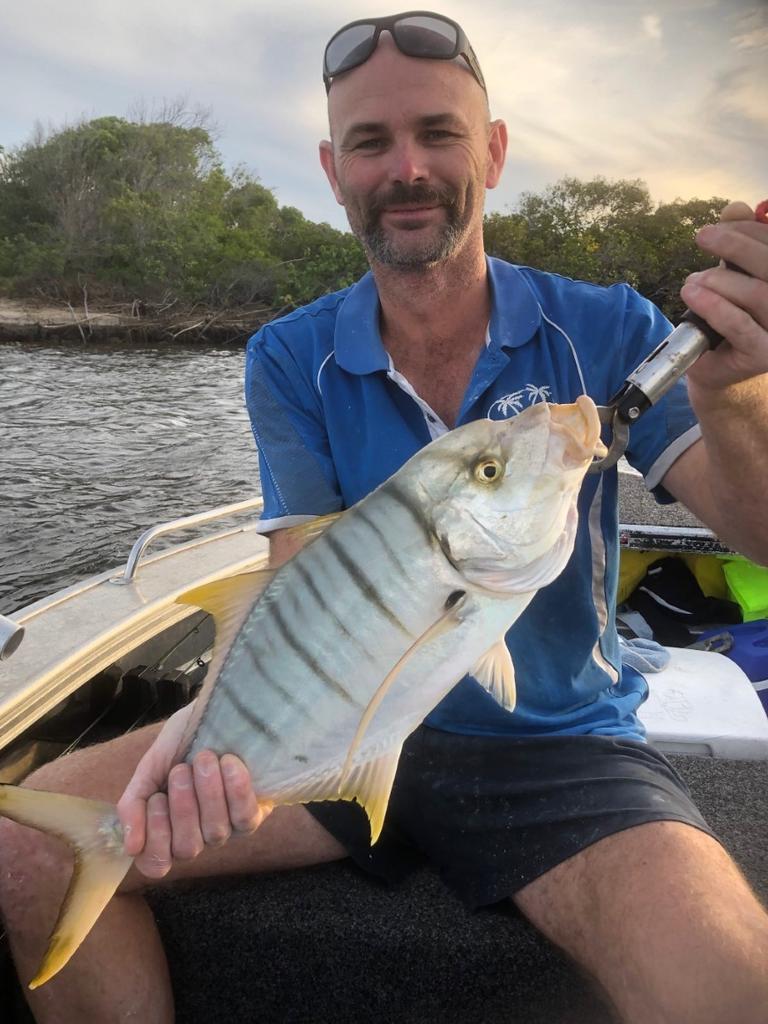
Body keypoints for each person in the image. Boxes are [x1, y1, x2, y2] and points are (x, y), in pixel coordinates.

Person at [1, 11, 767, 1023]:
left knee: (730, 981)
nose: (406, 167)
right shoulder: (288, 354)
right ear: (333, 169)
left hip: (561, 752)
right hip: (334, 734)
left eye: (438, 133)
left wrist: (732, 396)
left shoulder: (612, 329)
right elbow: (294, 582)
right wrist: (196, 737)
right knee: (22, 848)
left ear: (492, 152)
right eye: (371, 142)